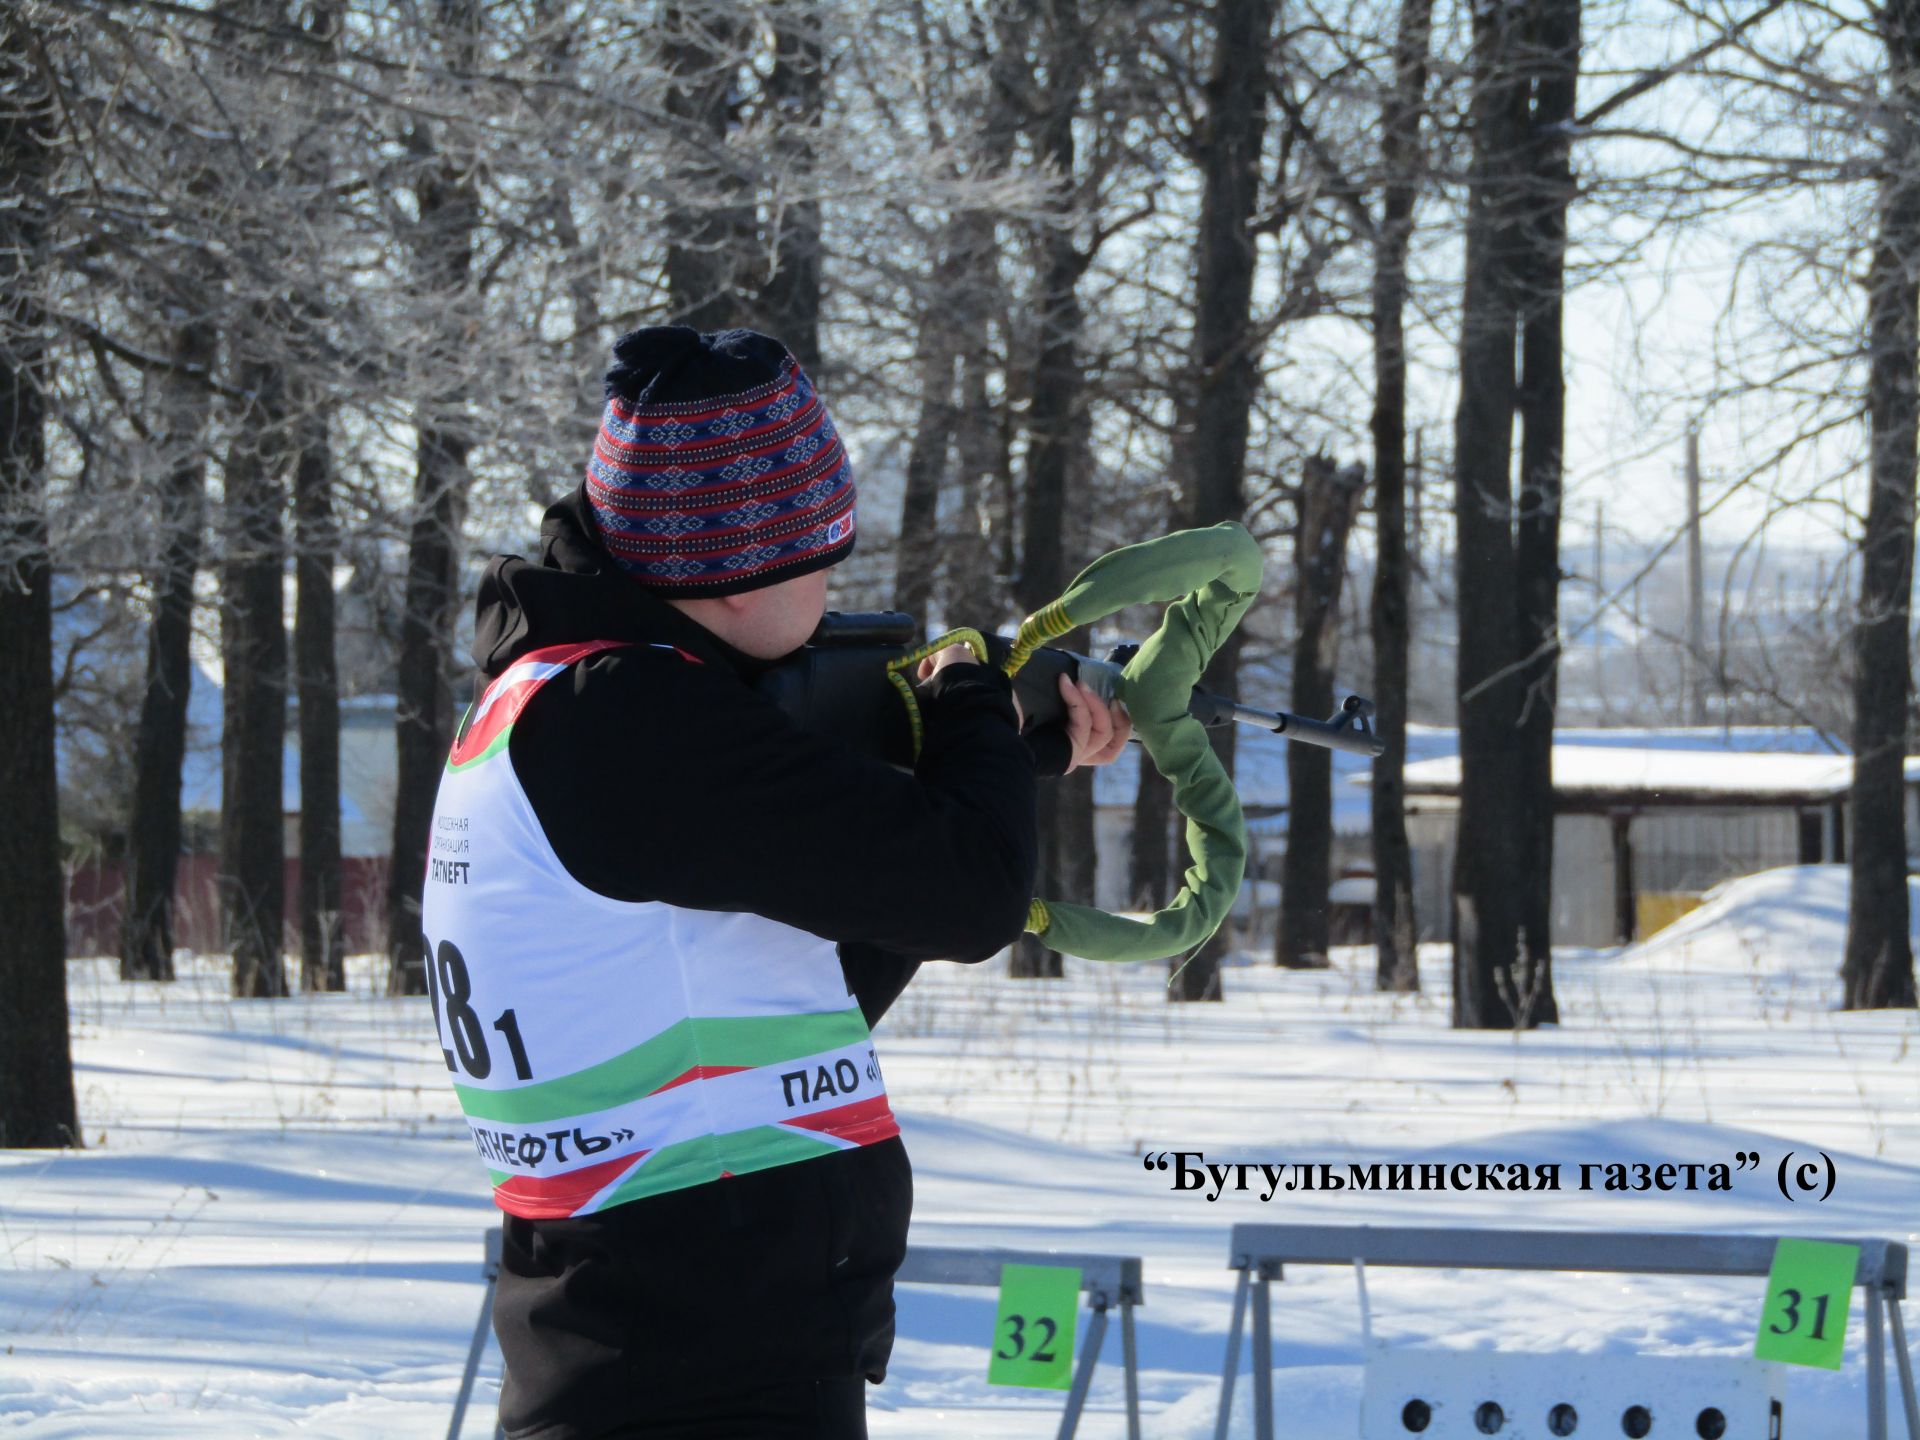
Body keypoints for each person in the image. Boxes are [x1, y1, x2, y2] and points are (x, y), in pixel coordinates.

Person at [420, 326, 1131, 1440]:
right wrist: (966, 702)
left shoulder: (562, 705)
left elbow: (809, 985)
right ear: (740, 566)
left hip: (663, 1338)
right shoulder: (632, 721)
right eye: (824, 554)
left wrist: (1003, 758)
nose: (835, 578)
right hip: (697, 1362)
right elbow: (972, 898)